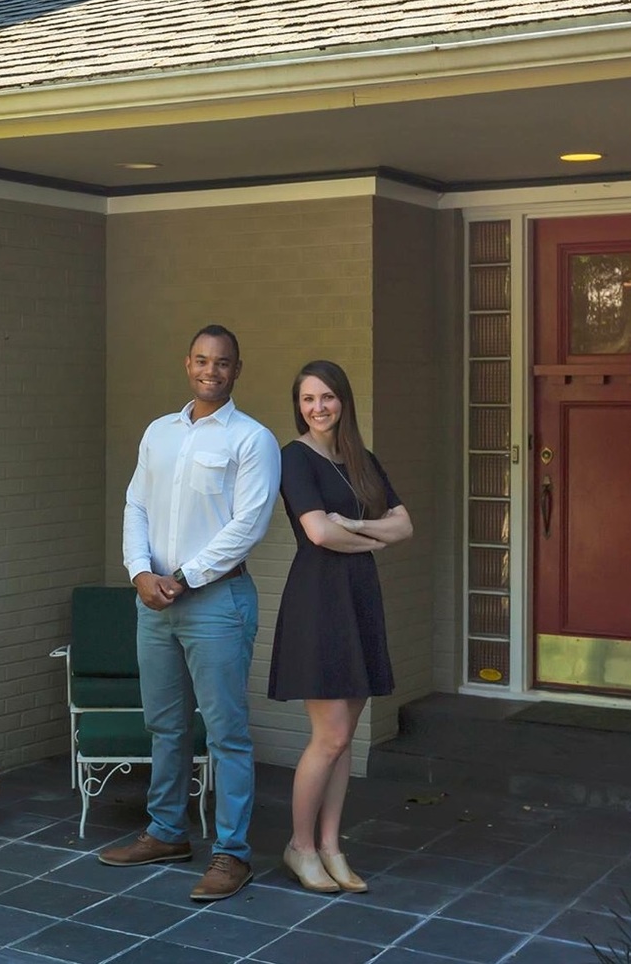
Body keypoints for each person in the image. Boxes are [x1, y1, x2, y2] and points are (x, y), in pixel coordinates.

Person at [99, 324, 281, 902]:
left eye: (222, 363)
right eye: (202, 360)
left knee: (225, 733)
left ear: (237, 369)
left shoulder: (253, 440)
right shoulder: (159, 433)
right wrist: (137, 572)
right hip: (154, 602)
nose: (211, 371)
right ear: (187, 364)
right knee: (165, 725)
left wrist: (182, 578)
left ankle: (231, 854)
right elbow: (136, 503)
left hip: (217, 603)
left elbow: (247, 525)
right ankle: (166, 832)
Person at [268, 360, 412, 894]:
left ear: (343, 401)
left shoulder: (360, 460)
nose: (318, 408)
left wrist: (354, 524)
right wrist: (370, 538)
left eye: (326, 397)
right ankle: (299, 847)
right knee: (327, 737)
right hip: (319, 601)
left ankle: (331, 846)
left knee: (346, 738)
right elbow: (319, 535)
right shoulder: (294, 458)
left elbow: (405, 523)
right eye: (307, 399)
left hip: (358, 599)